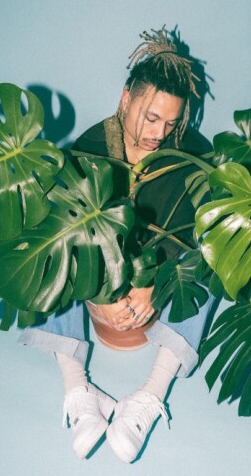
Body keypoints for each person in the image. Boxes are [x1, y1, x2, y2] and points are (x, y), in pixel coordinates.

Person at [18, 27, 214, 463]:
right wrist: (100, 296)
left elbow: (191, 233)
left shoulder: (191, 156)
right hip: (102, 277)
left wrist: (152, 285)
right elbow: (80, 234)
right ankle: (79, 391)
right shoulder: (90, 150)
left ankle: (149, 396)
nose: (160, 133)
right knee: (51, 233)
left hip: (155, 282)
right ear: (126, 99)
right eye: (151, 118)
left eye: (171, 123)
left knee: (217, 249)